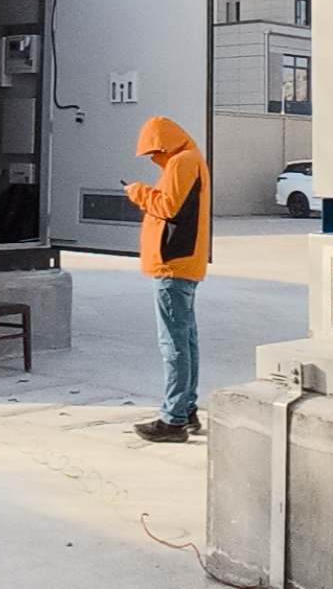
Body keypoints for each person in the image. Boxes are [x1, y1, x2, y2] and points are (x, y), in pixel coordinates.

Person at [124, 115, 210, 442]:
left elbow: (168, 206)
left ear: (163, 144)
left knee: (173, 344)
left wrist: (138, 192)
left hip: (172, 266)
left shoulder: (181, 162)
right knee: (186, 341)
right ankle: (186, 410)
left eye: (153, 152)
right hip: (182, 264)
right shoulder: (190, 159)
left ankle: (173, 421)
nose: (152, 158)